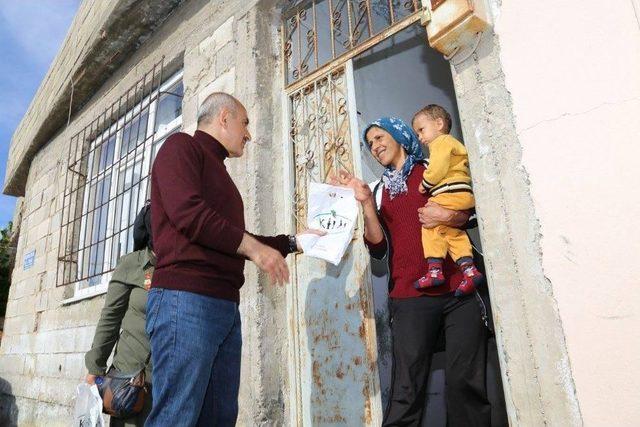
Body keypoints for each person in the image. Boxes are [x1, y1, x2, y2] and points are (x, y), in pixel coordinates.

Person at [146, 92, 321, 426]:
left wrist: (295, 241)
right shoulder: (180, 147)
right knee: (176, 416)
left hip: (223, 307)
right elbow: (189, 214)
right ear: (224, 117)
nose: (248, 134)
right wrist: (255, 250)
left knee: (219, 418)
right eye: (245, 123)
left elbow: (228, 238)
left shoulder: (220, 173)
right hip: (186, 301)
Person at [335, 116, 491, 426]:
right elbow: (378, 249)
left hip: (459, 292)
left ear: (399, 135)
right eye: (370, 144)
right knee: (406, 390)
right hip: (410, 297)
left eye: (380, 137)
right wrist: (366, 203)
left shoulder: (434, 170)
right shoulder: (379, 190)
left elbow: (470, 214)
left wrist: (448, 214)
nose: (376, 146)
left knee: (466, 385)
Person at [84, 204, 155, 427]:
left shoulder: (182, 266)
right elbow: (110, 318)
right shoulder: (131, 264)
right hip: (130, 382)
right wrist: (95, 369)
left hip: (169, 379)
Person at [412, 105, 483, 295]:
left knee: (429, 225)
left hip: (450, 193)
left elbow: (437, 168)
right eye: (417, 133)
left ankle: (434, 270)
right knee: (452, 232)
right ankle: (470, 270)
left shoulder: (441, 142)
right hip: (462, 195)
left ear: (439, 124)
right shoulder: (450, 143)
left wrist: (425, 184)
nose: (420, 137)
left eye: (421, 130)